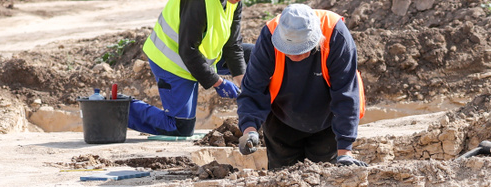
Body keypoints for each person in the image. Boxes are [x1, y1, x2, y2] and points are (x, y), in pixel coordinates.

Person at [235, 4, 366, 168]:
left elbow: (345, 94)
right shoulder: (269, 35)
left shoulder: (335, 34)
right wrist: (249, 129)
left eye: (301, 50)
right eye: (288, 50)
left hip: (327, 122)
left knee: (325, 182)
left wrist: (345, 152)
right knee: (281, 182)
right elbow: (253, 89)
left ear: (317, 38)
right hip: (281, 121)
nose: (294, 56)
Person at [128, 0, 247, 137]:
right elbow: (188, 51)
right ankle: (116, 108)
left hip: (199, 57)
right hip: (171, 61)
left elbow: (233, 47)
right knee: (180, 127)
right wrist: (218, 82)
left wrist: (244, 86)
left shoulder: (234, 2)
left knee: (255, 57)